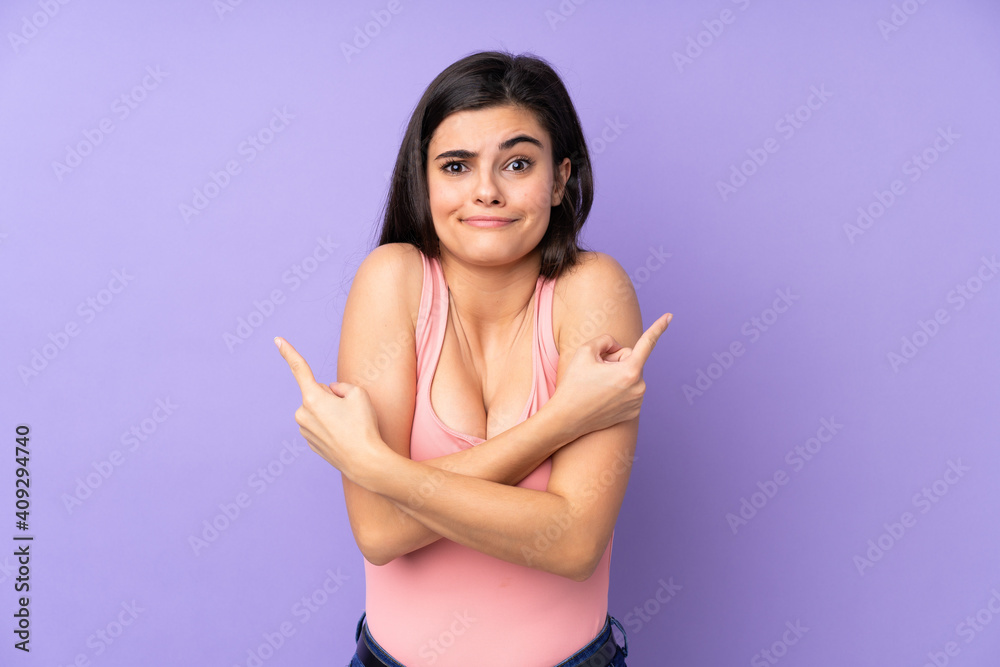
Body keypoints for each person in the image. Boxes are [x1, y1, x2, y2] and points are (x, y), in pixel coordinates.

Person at [276, 50, 672, 667]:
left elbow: (573, 544)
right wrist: (560, 422)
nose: (486, 191)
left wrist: (379, 470)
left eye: (517, 163)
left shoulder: (593, 289)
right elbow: (379, 536)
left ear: (561, 179)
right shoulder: (394, 280)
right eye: (456, 166)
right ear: (424, 180)